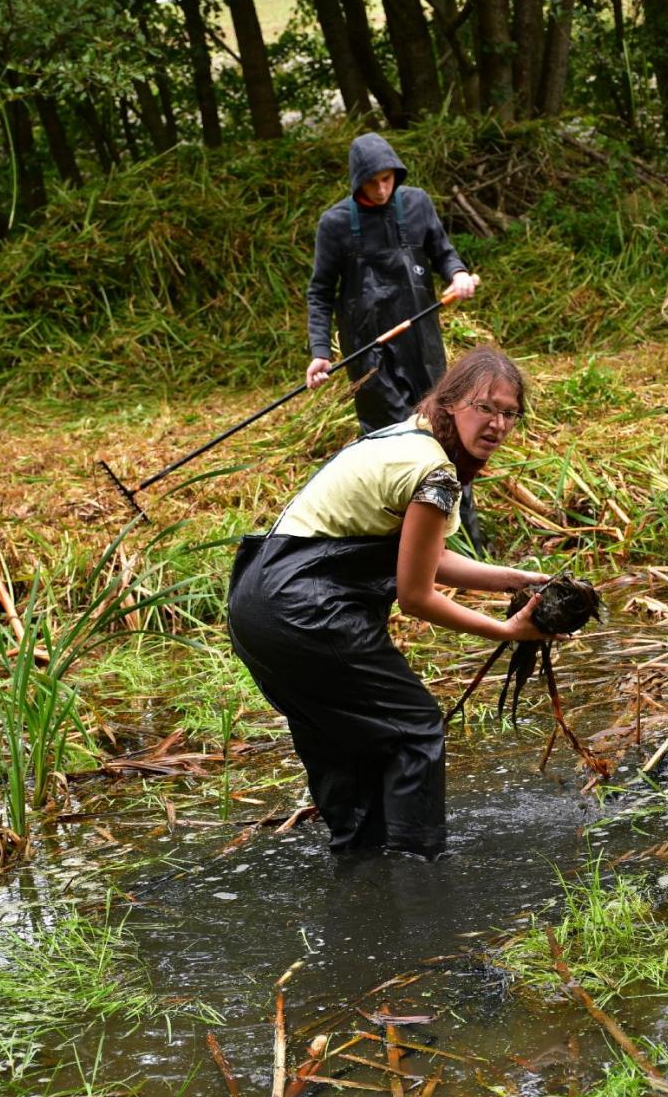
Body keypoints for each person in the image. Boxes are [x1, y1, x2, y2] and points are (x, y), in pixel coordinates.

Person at [228, 345, 548, 860]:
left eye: (509, 413)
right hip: (308, 609)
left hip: (257, 605)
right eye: (484, 407)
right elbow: (416, 595)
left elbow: (422, 558)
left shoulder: (403, 439)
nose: (497, 425)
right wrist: (507, 632)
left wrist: (516, 579)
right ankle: (419, 876)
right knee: (414, 729)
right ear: (450, 405)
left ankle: (362, 880)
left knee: (342, 746)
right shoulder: (436, 474)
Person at [304, 131, 484, 551]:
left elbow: (443, 252)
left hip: (423, 345)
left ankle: (470, 545)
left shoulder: (417, 203)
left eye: (388, 179)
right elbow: (319, 293)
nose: (383, 189)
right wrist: (319, 352)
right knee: (392, 447)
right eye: (373, 182)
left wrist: (456, 274)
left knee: (445, 437)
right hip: (368, 355)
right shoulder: (334, 225)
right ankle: (399, 551)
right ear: (357, 181)